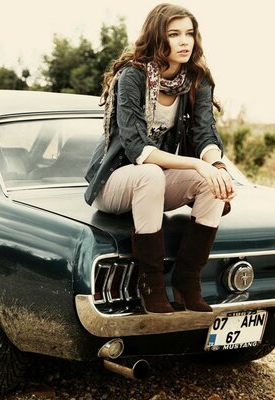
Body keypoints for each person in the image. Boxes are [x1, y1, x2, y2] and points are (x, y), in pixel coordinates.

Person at [84, 3, 234, 313]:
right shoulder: (132, 77)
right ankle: (150, 282)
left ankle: (187, 280)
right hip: (114, 180)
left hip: (153, 185)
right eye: (174, 34)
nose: (184, 42)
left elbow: (204, 134)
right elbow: (138, 149)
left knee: (211, 184)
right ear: (157, 37)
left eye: (189, 34)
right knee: (152, 173)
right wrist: (196, 164)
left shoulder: (196, 79)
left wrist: (217, 167)